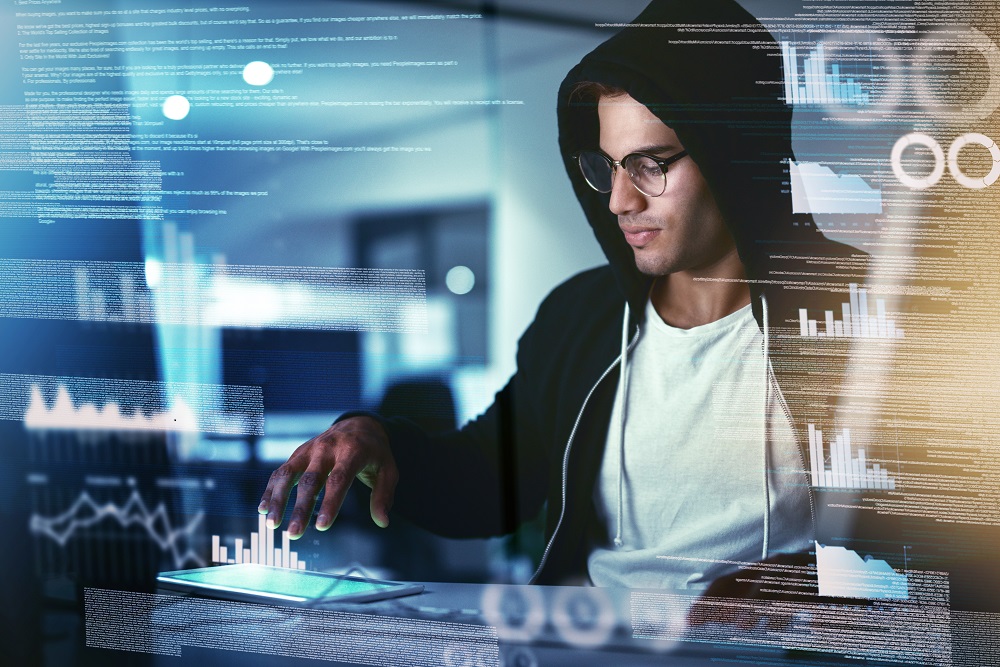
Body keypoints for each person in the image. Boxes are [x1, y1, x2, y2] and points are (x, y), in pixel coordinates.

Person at [257, 0, 858, 589]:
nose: (621, 200)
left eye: (651, 164)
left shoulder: (870, 316)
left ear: (735, 155)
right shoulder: (580, 318)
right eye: (608, 167)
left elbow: (934, 543)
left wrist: (805, 582)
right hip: (582, 645)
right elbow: (487, 485)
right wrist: (374, 437)